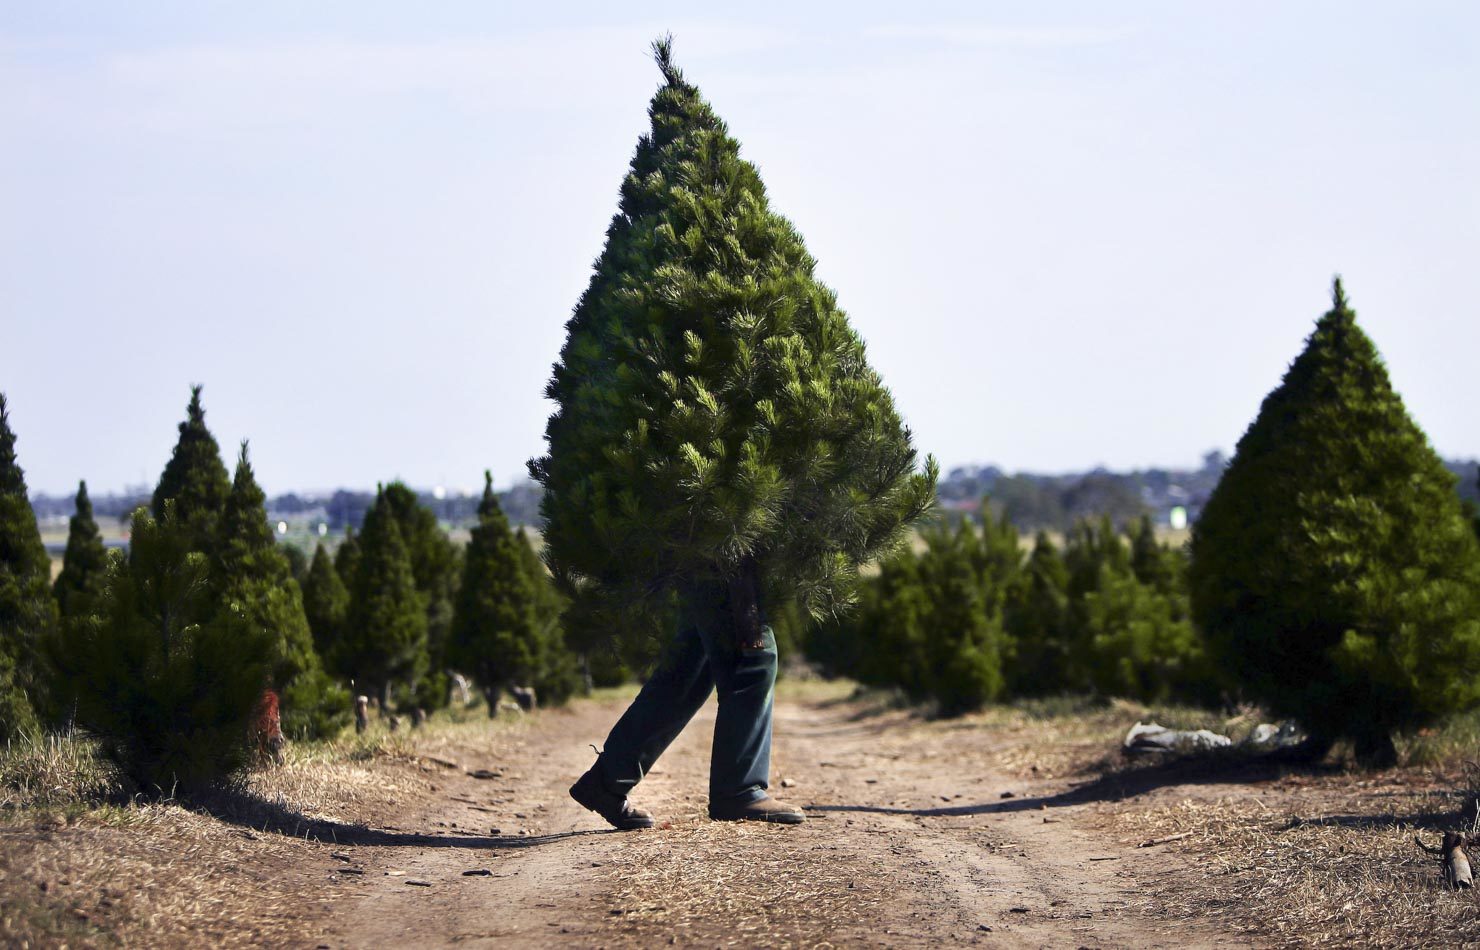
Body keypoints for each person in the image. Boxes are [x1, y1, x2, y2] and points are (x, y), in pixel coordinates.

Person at [569, 574, 804, 828]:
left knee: (691, 664)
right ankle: (739, 790)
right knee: (752, 660)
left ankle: (608, 779)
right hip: (727, 555)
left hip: (699, 553)